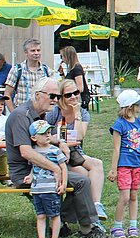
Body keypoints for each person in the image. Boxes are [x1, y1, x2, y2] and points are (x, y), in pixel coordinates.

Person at [6, 77, 106, 238]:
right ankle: (87, 229)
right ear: (38, 95)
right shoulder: (21, 116)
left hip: (42, 168)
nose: (55, 100)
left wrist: (60, 142)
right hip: (26, 173)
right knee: (81, 181)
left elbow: (48, 136)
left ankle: (60, 220)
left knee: (83, 177)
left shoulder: (40, 115)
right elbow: (26, 152)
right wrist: (55, 169)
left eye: (57, 97)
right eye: (52, 96)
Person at [46, 78, 107, 219]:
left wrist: (77, 113)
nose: (73, 97)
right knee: (83, 175)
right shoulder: (54, 113)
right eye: (68, 95)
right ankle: (75, 214)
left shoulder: (83, 113)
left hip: (75, 154)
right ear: (61, 97)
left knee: (97, 164)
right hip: (56, 155)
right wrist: (60, 141)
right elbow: (45, 137)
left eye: (76, 92)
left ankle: (96, 206)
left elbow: (79, 136)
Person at [107, 90, 140, 238]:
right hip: (124, 165)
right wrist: (113, 169)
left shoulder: (139, 122)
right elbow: (116, 148)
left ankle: (133, 225)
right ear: (130, 107)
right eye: (138, 105)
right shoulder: (119, 125)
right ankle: (117, 226)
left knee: (134, 195)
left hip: (137, 164)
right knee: (124, 196)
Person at [27, 120, 66, 238]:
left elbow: (63, 167)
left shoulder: (55, 151)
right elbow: (34, 166)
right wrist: (30, 176)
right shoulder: (33, 152)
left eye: (49, 133)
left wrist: (63, 183)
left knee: (54, 214)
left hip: (51, 189)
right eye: (44, 134)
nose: (48, 136)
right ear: (34, 138)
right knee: (40, 215)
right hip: (37, 189)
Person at [4, 38, 54, 111]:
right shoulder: (16, 70)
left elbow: (53, 94)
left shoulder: (47, 71)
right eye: (33, 50)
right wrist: (13, 113)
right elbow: (7, 94)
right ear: (26, 52)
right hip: (22, 112)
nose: (36, 53)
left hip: (42, 113)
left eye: (38, 50)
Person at [59, 46, 91, 111]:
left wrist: (70, 93)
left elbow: (80, 88)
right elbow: (66, 83)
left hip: (79, 99)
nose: (61, 59)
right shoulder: (71, 69)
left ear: (67, 56)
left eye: (62, 56)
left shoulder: (77, 68)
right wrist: (62, 73)